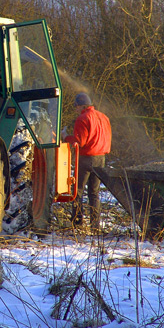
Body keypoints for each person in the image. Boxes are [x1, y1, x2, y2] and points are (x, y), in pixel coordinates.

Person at [62, 93, 112, 232]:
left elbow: (79, 142)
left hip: (86, 158)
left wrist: (66, 137)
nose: (75, 110)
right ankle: (95, 226)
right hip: (101, 158)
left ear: (82, 105)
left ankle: (77, 223)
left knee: (77, 191)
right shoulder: (104, 117)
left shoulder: (83, 118)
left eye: (76, 107)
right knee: (94, 193)